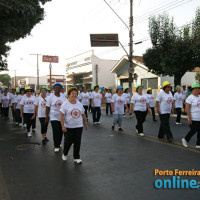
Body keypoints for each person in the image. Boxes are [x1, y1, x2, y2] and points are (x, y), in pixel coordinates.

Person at [60, 87, 88, 164]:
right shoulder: (65, 104)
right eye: (72, 93)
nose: (74, 95)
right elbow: (61, 115)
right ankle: (65, 153)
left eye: (75, 94)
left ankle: (76, 157)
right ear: (69, 95)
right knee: (68, 141)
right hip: (68, 127)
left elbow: (83, 114)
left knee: (77, 142)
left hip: (78, 126)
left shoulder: (79, 104)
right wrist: (63, 126)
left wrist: (85, 123)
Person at [46, 82, 66, 152]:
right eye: (56, 87)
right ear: (54, 89)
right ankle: (56, 145)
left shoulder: (63, 96)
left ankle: (59, 142)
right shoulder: (50, 97)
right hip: (53, 117)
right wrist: (47, 117)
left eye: (59, 87)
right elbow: (47, 107)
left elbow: (65, 106)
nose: (57, 89)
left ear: (61, 89)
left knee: (61, 131)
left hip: (61, 117)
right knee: (55, 131)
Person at [182, 82, 200, 148]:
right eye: (196, 88)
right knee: (193, 130)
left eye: (198, 88)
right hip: (193, 118)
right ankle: (185, 139)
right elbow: (187, 109)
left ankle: (198, 144)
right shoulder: (190, 98)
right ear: (193, 89)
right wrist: (189, 118)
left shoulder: (199, 97)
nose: (198, 89)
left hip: (199, 117)